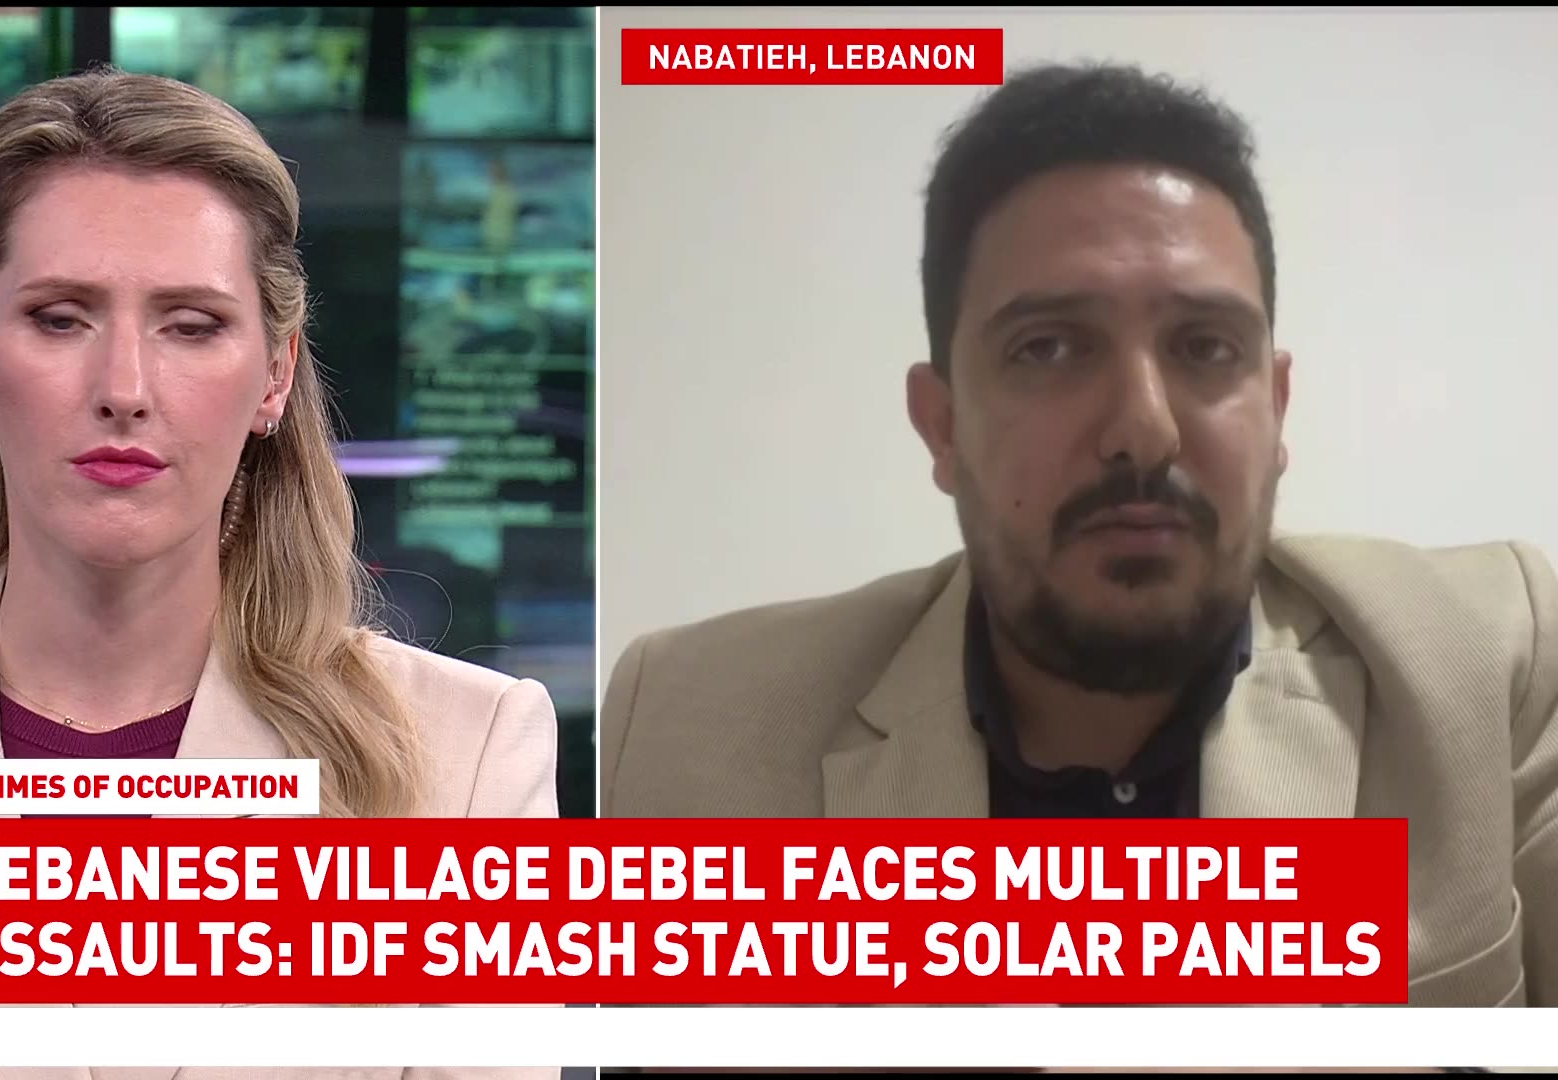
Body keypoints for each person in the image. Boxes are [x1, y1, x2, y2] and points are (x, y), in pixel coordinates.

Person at [599, 62, 1557, 1010]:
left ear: (1275, 406)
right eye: (1049, 347)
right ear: (943, 426)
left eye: (1206, 347)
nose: (1144, 429)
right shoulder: (692, 734)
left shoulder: (1484, 663)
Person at [0, 68, 560, 1077]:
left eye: (191, 324)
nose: (123, 389)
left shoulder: (466, 762)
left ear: (273, 374)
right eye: (60, 317)